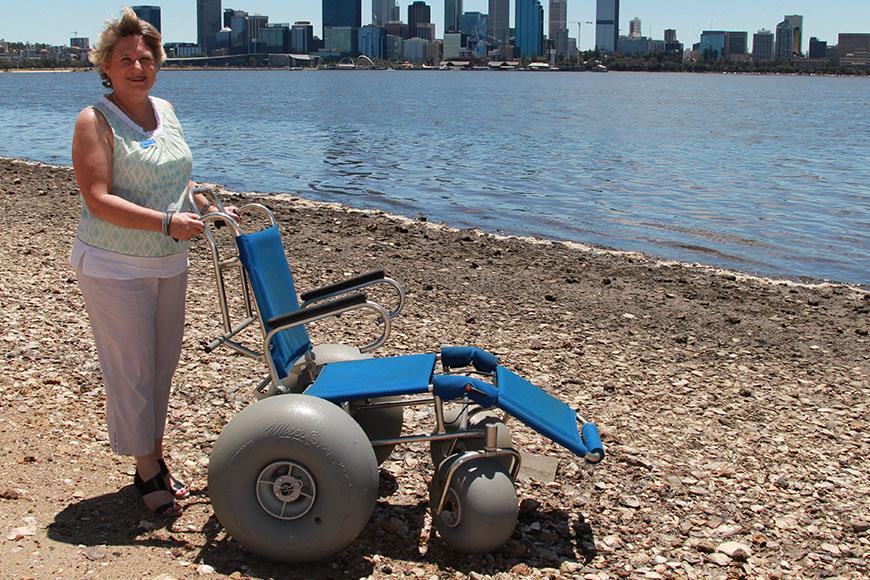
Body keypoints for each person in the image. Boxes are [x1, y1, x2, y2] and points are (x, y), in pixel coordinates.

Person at [70, 7, 235, 516]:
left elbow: (177, 180)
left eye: (145, 58)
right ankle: (147, 471)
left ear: (157, 63)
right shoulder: (94, 120)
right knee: (132, 371)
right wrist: (165, 224)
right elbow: (96, 198)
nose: (138, 67)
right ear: (107, 66)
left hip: (169, 264)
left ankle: (154, 456)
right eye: (126, 60)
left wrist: (205, 204)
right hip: (114, 264)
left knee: (160, 369)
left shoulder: (165, 108)